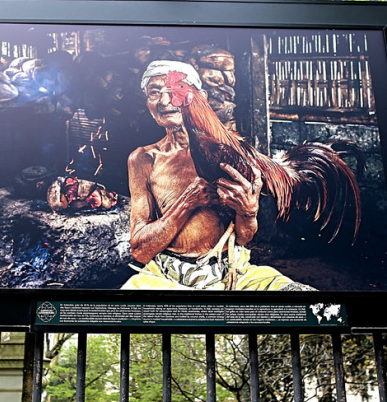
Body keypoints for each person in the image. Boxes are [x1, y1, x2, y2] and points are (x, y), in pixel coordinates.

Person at [120, 60, 314, 291]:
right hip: (166, 277)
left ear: (197, 95)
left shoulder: (225, 151)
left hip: (233, 271)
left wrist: (248, 212)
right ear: (147, 102)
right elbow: (140, 251)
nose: (164, 101)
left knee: (311, 307)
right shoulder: (142, 159)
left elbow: (244, 238)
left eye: (175, 90)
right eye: (155, 92)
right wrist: (186, 204)